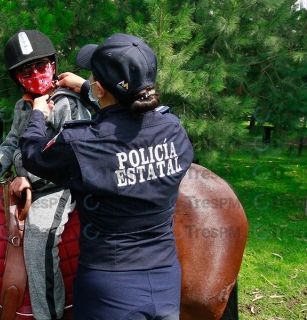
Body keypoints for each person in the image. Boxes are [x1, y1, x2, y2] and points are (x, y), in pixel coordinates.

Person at [19, 33, 194, 319]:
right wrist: (88, 87)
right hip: (165, 281)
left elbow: (33, 154)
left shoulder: (83, 144)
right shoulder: (173, 130)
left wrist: (38, 114)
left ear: (101, 90)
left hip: (110, 290)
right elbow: (131, 113)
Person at [0, 30, 92, 320]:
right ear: (17, 77)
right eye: (25, 70)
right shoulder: (24, 104)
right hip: (26, 183)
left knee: (37, 238)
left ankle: (49, 314)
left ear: (53, 64)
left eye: (40, 65)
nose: (35, 73)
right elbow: (11, 141)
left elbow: (68, 158)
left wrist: (29, 179)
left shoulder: (66, 103)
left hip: (58, 188)